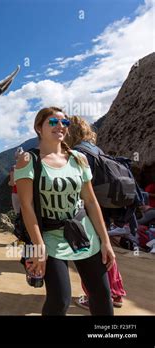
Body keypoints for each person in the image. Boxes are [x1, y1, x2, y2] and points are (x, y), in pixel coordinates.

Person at [14, 107, 115, 315]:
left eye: (64, 123)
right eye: (53, 122)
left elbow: (90, 201)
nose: (60, 126)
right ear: (38, 128)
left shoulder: (78, 158)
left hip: (82, 231)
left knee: (102, 295)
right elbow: (26, 205)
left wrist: (105, 241)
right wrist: (38, 246)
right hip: (50, 236)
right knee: (60, 299)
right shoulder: (28, 160)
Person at [66, 115, 127, 309]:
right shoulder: (95, 149)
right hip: (106, 209)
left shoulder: (76, 154)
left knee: (89, 256)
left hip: (88, 211)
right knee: (105, 252)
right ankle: (116, 293)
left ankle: (97, 296)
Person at [9, 147, 23, 214]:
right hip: (27, 192)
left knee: (18, 213)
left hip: (16, 192)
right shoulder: (28, 167)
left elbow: (12, 183)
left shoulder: (14, 168)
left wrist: (9, 183)